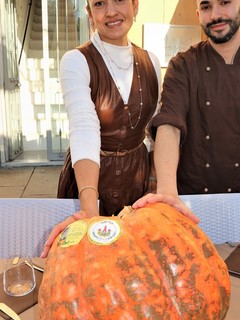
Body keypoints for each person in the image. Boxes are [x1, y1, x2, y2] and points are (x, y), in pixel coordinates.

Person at [133, 0, 240, 233]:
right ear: (198, 14)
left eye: (225, 3)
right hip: (189, 202)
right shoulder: (183, 65)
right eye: (206, 7)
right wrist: (167, 191)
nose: (215, 15)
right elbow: (169, 123)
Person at [41, 0, 161, 258]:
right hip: (89, 178)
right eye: (99, 3)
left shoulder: (151, 61)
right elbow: (83, 126)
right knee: (87, 259)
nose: (111, 12)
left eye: (119, 0)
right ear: (89, 13)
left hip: (137, 177)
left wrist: (154, 183)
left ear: (135, 5)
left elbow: (154, 130)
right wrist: (89, 210)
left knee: (133, 257)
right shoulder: (76, 60)